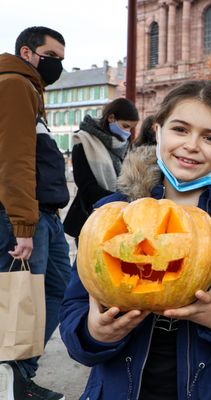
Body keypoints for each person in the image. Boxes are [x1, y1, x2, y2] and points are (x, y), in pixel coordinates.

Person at [59, 80, 211, 399]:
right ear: (158, 131)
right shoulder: (112, 213)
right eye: (180, 129)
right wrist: (92, 332)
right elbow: (75, 304)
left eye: (210, 137)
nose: (192, 145)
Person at [0, 26, 70, 400]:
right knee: (20, 297)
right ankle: (12, 378)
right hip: (25, 216)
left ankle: (17, 375)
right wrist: (22, 226)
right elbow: (15, 160)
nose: (57, 64)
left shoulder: (30, 88)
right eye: (52, 56)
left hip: (44, 215)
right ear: (27, 52)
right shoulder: (15, 85)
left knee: (58, 287)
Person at [63, 98, 139, 240]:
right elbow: (86, 186)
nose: (128, 132)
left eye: (131, 128)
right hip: (91, 218)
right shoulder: (83, 141)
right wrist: (121, 200)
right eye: (125, 126)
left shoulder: (124, 145)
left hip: (121, 221)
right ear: (111, 118)